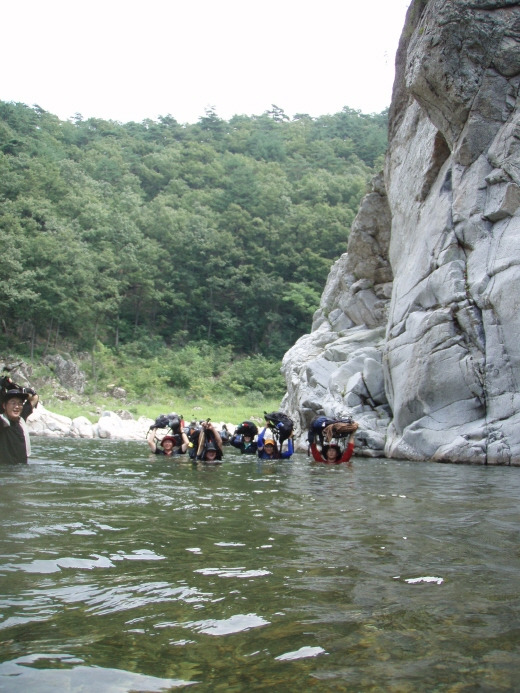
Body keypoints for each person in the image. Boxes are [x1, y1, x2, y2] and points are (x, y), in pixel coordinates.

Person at [0, 387, 39, 464]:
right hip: (6, 472)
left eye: (20, 403)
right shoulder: (2, 422)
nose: (17, 406)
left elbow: (35, 397)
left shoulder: (21, 419)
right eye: (13, 403)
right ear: (4, 406)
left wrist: (22, 390)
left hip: (21, 471)